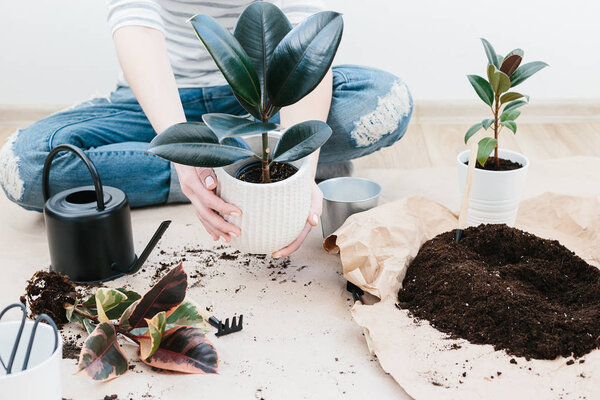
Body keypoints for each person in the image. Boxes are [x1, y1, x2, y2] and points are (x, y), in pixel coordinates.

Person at [0, 0, 412, 258]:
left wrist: (304, 162)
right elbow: (134, 20)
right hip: (157, 97)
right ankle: (240, 170)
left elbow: (306, 37)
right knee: (28, 165)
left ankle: (242, 162)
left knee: (386, 100)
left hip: (260, 100)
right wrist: (183, 154)